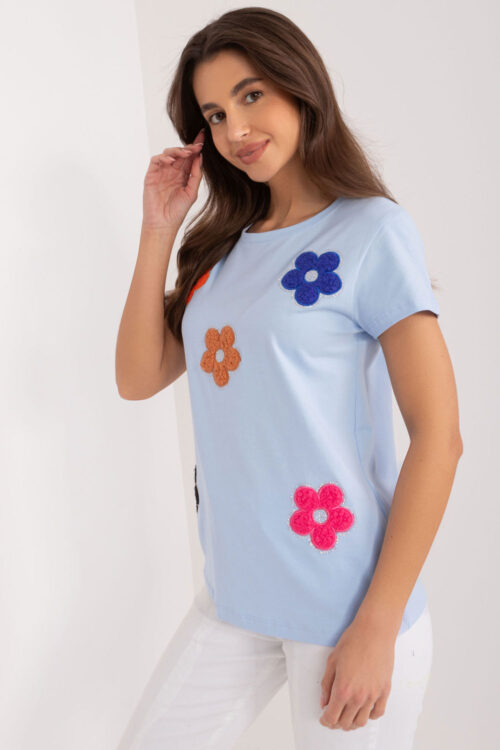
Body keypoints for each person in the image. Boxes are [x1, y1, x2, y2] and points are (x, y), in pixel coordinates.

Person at [115, 7, 462, 749]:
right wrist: (159, 227)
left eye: (251, 95)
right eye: (214, 113)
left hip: (345, 607)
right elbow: (139, 377)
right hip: (235, 596)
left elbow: (440, 437)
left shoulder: (371, 232)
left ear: (301, 86)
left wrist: (377, 625)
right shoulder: (221, 251)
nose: (235, 128)